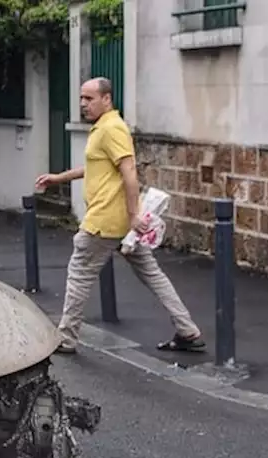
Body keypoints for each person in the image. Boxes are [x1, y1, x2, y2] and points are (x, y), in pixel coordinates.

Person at [35, 77, 204, 355]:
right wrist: (58, 178)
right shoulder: (105, 128)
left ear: (107, 99)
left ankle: (66, 338)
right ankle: (188, 330)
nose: (82, 104)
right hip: (120, 224)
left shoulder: (112, 128)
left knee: (79, 274)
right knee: (152, 274)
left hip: (105, 222)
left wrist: (134, 213)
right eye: (81, 98)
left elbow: (129, 172)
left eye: (89, 99)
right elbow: (95, 167)